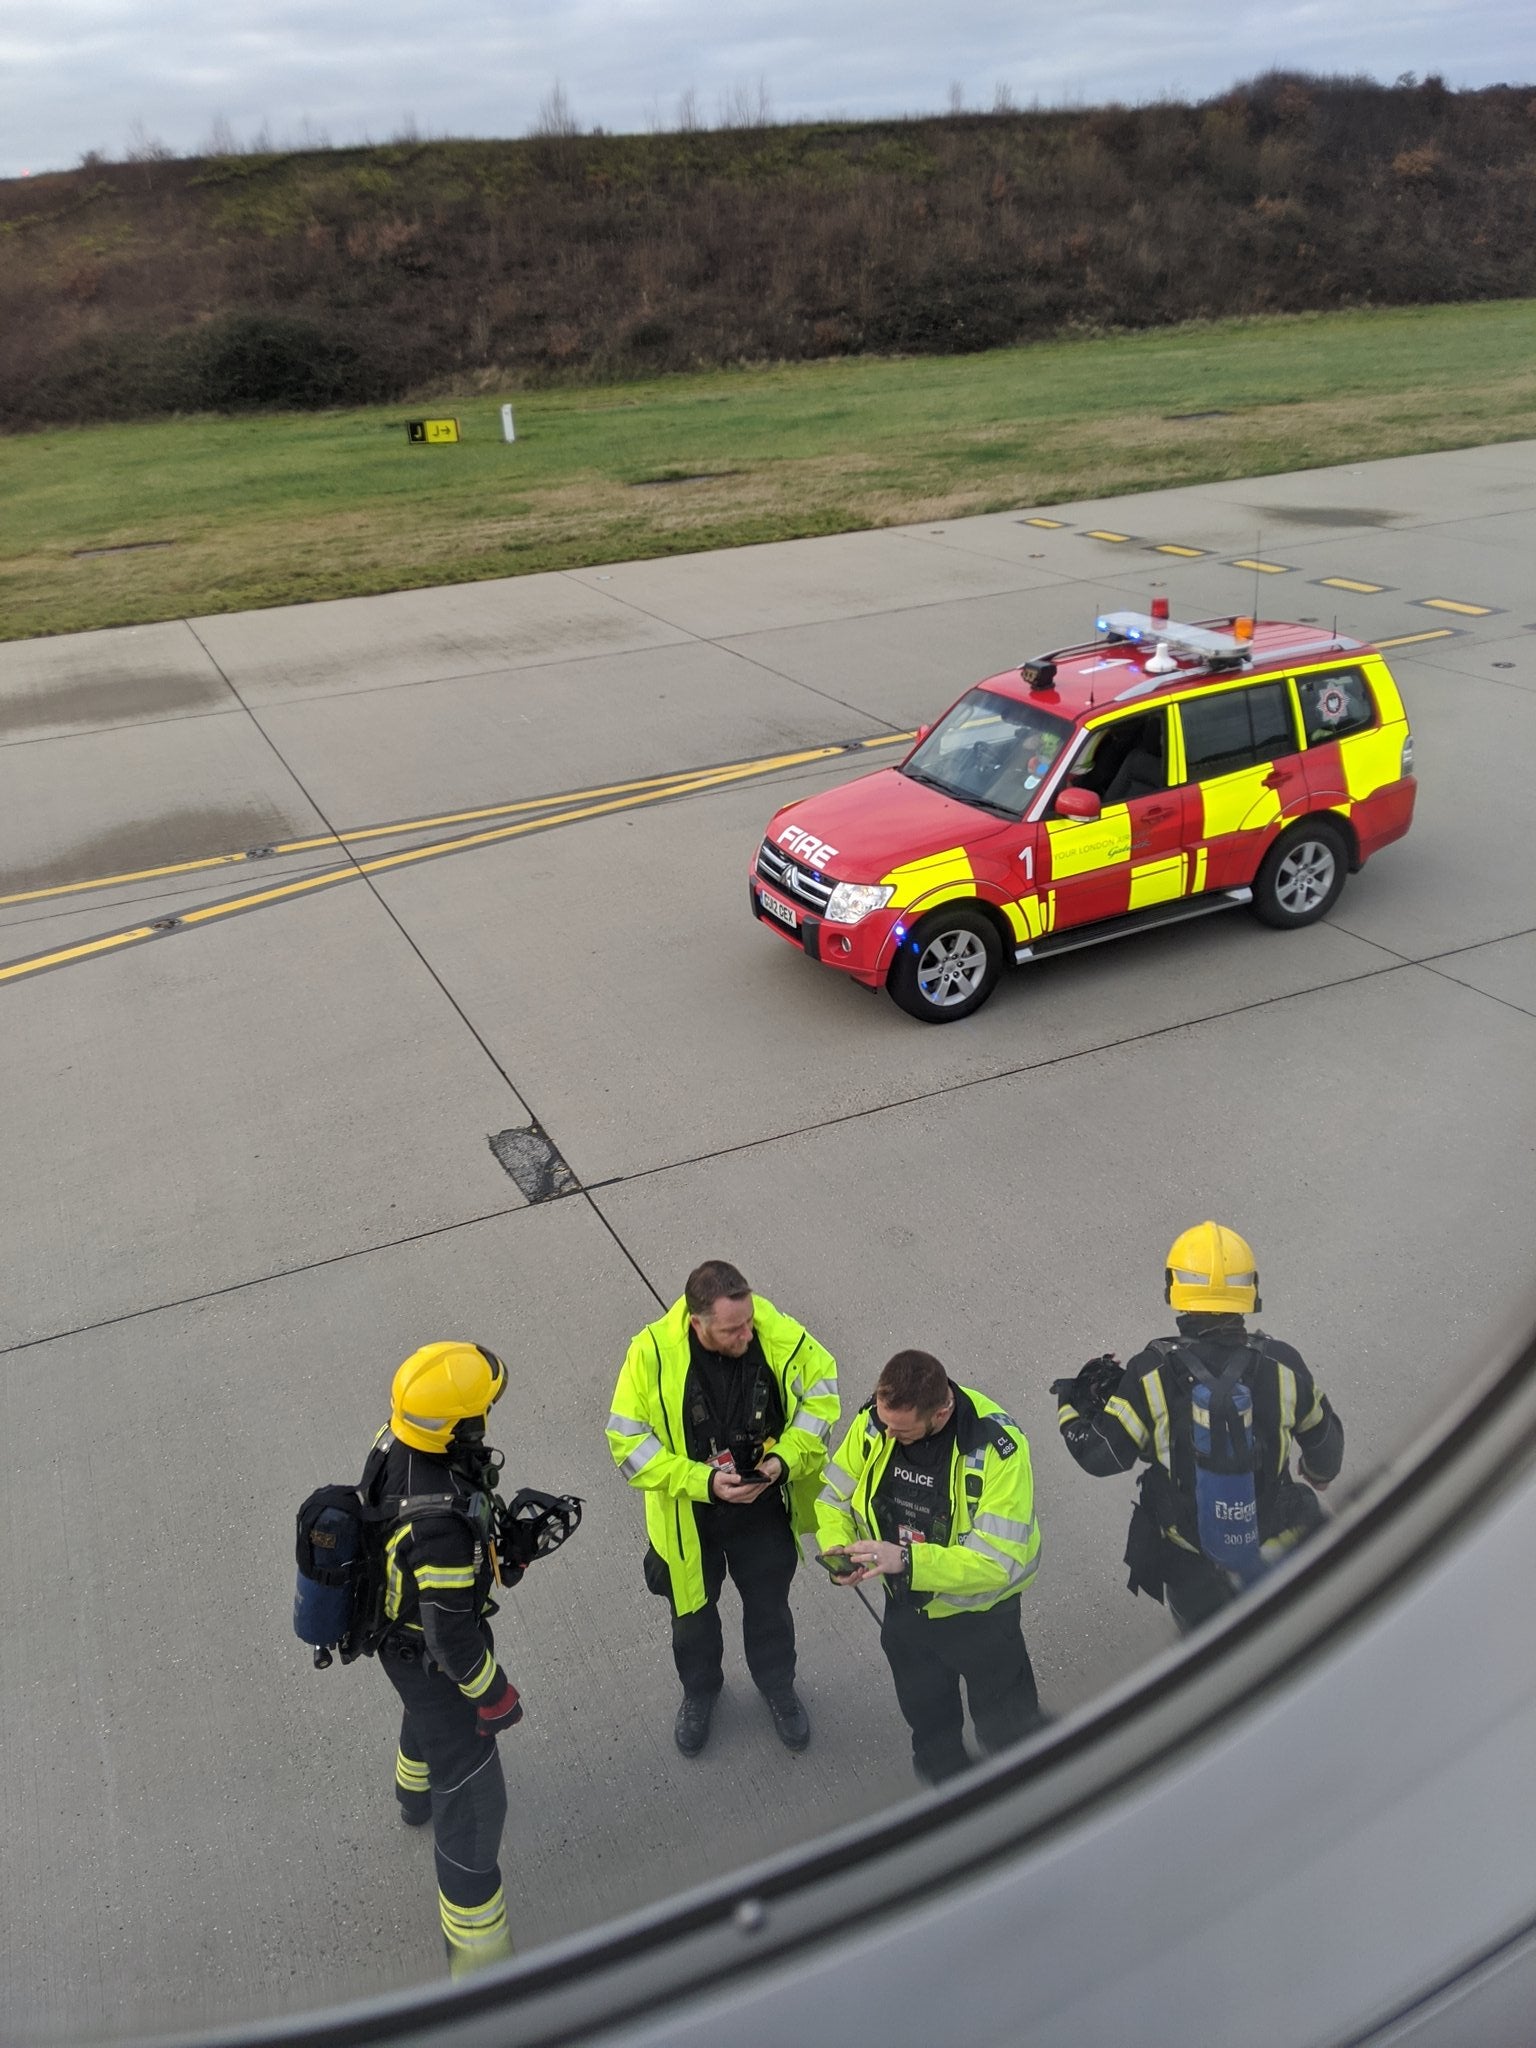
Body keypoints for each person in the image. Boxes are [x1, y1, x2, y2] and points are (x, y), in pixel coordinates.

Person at [1053, 1221, 1345, 1632]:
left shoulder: (1150, 1371)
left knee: (1214, 1659)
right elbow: (1326, 1444)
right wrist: (1318, 1473)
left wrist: (1069, 1407)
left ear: (1176, 1288)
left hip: (1192, 1562)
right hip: (1277, 1545)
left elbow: (1102, 1457)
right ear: (1250, 1287)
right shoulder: (1282, 1363)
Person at [606, 1259, 839, 1757]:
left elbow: (822, 1401)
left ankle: (778, 1687)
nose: (747, 1336)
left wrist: (780, 1462)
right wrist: (705, 1482)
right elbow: (627, 1444)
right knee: (692, 1619)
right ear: (698, 1323)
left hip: (762, 1507)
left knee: (770, 1609)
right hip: (691, 1518)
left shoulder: (775, 1333)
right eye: (733, 1330)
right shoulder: (649, 1355)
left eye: (749, 1322)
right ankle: (700, 1693)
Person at [817, 1349, 1043, 1785]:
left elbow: (996, 1563)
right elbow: (832, 1498)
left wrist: (904, 1560)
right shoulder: (877, 1424)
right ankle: (950, 1787)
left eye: (900, 1431)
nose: (885, 1434)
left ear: (941, 1413)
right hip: (907, 1613)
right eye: (883, 1422)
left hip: (981, 1620)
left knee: (1010, 1730)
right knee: (931, 1726)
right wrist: (838, 1548)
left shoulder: (997, 1450)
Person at [370, 1343, 524, 1975]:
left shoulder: (396, 1442)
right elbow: (453, 1641)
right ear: (459, 1426)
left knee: (422, 1712)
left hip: (398, 1642)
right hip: (433, 1657)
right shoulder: (439, 1529)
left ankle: (411, 1796)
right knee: (474, 1807)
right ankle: (479, 1962)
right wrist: (495, 1695)